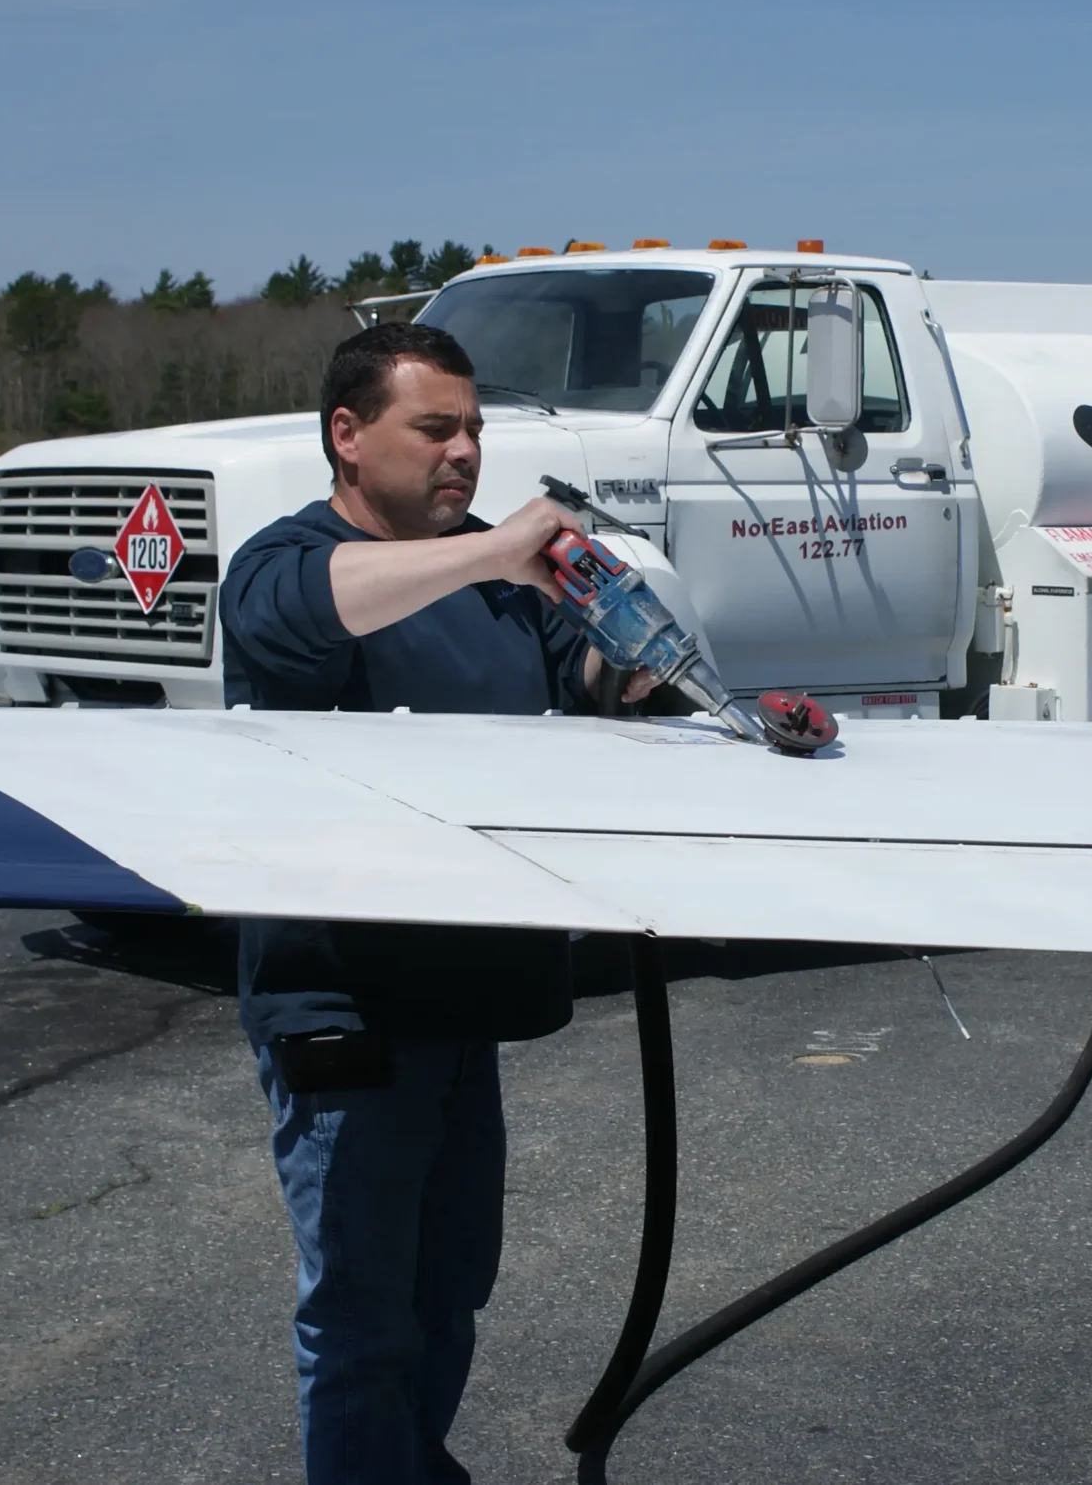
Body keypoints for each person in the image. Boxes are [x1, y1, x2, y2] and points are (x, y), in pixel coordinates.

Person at [217, 321, 654, 1484]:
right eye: (434, 428)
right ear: (347, 436)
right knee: (360, 1316)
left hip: (467, 1002)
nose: (464, 451)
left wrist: (626, 653)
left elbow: (576, 679)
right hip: (347, 1011)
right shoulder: (287, 561)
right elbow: (308, 614)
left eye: (473, 429)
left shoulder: (495, 576)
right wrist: (493, 552)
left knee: (448, 1291)